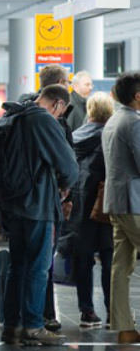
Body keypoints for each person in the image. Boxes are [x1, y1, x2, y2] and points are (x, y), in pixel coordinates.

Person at [0, 84, 78, 346]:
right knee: (38, 266)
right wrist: (65, 187)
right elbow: (68, 165)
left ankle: (12, 325)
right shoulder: (43, 119)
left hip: (13, 203)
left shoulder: (15, 115)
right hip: (39, 204)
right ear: (57, 104)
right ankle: (33, 325)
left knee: (17, 265)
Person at [67, 92, 114, 329]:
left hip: (80, 206)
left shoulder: (75, 136)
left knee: (83, 260)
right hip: (105, 205)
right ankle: (112, 312)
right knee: (109, 259)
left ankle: (87, 311)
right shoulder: (110, 136)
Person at [101, 72, 140, 345]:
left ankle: (124, 327)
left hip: (116, 201)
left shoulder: (114, 119)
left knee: (121, 265)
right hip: (135, 203)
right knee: (120, 265)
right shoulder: (134, 122)